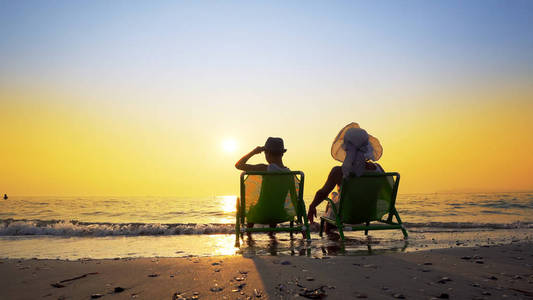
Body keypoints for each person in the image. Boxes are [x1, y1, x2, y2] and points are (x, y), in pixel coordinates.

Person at [307, 123, 384, 233]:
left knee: (331, 205)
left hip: (347, 215)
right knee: (336, 205)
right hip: (369, 213)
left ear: (346, 147)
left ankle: (332, 241)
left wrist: (312, 206)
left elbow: (322, 193)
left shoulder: (339, 172)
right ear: (367, 147)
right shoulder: (378, 170)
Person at [235, 137, 290, 239]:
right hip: (280, 215)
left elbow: (238, 165)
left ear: (267, 154)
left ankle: (249, 236)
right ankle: (271, 235)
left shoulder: (265, 169)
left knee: (252, 207)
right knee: (275, 205)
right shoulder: (289, 173)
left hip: (260, 214)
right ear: (282, 153)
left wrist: (253, 152)